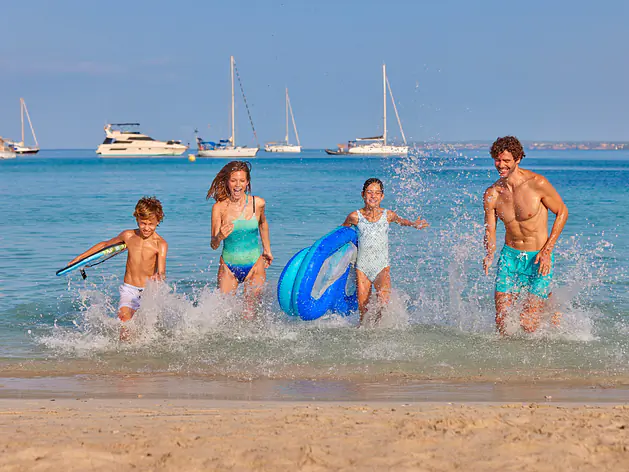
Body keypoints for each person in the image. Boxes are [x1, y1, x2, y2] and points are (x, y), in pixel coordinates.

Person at [483, 136, 569, 335]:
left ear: (518, 159)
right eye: (497, 160)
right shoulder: (492, 193)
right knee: (502, 321)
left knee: (528, 324)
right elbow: (490, 229)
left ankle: (549, 305)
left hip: (538, 257)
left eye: (506, 161)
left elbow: (562, 212)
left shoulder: (536, 183)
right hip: (509, 257)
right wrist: (489, 254)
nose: (501, 165)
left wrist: (547, 251)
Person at [67, 197, 168, 339]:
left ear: (158, 221)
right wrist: (80, 258)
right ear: (137, 219)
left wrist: (159, 276)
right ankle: (124, 354)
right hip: (129, 289)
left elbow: (162, 271)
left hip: (149, 292)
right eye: (142, 223)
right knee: (124, 322)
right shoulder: (128, 236)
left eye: (151, 224)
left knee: (144, 329)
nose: (146, 227)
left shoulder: (160, 244)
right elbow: (104, 245)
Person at [342, 178, 429, 326]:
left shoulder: (387, 215)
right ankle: (364, 335)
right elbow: (342, 234)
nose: (373, 196)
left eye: (377, 193)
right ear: (363, 194)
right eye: (370, 192)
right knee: (363, 312)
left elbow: (401, 221)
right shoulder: (355, 217)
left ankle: (378, 329)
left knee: (383, 303)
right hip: (362, 268)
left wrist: (414, 224)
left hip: (381, 267)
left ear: (382, 196)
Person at [207, 161, 272, 317]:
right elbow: (214, 244)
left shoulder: (258, 203)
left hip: (255, 265)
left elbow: (263, 224)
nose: (237, 185)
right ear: (227, 182)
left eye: (242, 181)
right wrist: (220, 236)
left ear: (247, 182)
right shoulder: (219, 208)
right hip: (229, 267)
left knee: (251, 315)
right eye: (233, 180)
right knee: (223, 315)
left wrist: (267, 250)